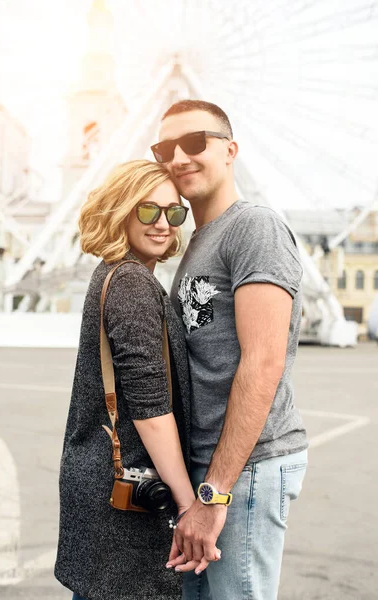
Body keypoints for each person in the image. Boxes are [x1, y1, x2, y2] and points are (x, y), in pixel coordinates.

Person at [151, 100, 308, 600]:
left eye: (195, 142)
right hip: (210, 470)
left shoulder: (253, 228)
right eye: (164, 148)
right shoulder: (199, 240)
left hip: (245, 470)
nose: (178, 157)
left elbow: (263, 362)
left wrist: (215, 493)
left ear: (230, 150)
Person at [54, 159, 217, 600]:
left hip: (101, 483)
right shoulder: (130, 282)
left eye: (174, 212)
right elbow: (150, 408)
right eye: (148, 211)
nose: (163, 223)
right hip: (125, 497)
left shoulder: (115, 273)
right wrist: (188, 505)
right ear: (121, 210)